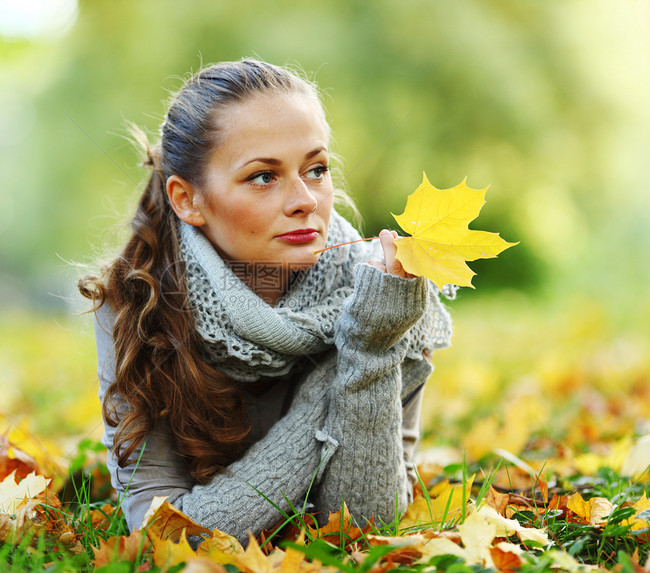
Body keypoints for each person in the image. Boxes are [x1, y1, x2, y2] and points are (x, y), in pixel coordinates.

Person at [78, 59, 453, 542]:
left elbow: (364, 525)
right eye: (263, 177)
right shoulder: (137, 302)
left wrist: (371, 346)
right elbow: (167, 535)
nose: (305, 200)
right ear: (187, 199)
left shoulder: (382, 298)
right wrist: (328, 392)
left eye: (316, 169)